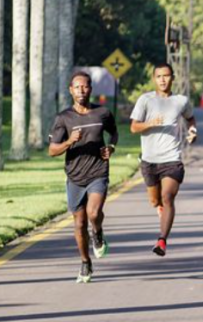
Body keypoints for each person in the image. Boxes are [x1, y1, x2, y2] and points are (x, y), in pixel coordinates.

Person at [48, 71, 118, 283]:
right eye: (77, 87)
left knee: (94, 213)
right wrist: (69, 141)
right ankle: (85, 262)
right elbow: (52, 150)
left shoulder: (103, 113)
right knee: (79, 224)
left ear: (90, 89)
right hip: (75, 177)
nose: (81, 90)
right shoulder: (64, 118)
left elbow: (113, 132)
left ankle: (97, 234)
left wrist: (111, 147)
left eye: (85, 86)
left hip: (98, 171)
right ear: (71, 90)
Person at [130, 63, 197, 257]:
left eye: (166, 76)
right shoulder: (145, 100)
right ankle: (159, 207)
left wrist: (193, 131)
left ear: (172, 78)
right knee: (155, 200)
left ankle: (162, 240)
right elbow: (133, 127)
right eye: (159, 76)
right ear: (154, 79)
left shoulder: (181, 101)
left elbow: (191, 118)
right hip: (149, 161)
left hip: (172, 159)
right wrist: (151, 123)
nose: (163, 80)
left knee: (168, 197)